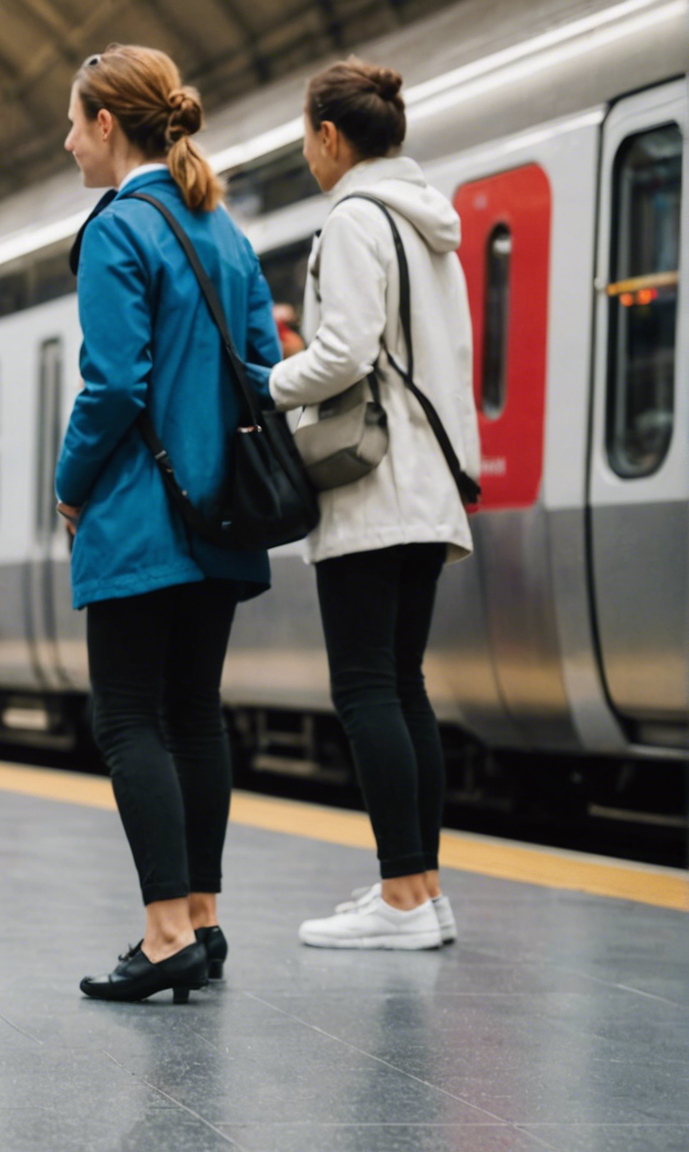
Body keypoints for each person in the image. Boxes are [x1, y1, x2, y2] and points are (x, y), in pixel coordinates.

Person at [57, 45, 278, 1002]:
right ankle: (205, 918)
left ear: (108, 126)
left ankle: (162, 935)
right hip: (224, 512)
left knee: (127, 718)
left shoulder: (118, 230)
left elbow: (112, 384)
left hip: (143, 517)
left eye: (73, 124)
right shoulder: (223, 230)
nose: (68, 145)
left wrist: (70, 486)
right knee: (195, 714)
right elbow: (267, 366)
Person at [268, 60, 479, 952]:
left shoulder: (355, 218)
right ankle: (422, 889)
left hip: (370, 481)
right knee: (402, 685)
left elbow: (344, 352)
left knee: (365, 689)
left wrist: (267, 382)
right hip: (428, 487)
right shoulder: (430, 223)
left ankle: (400, 897)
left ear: (328, 136)